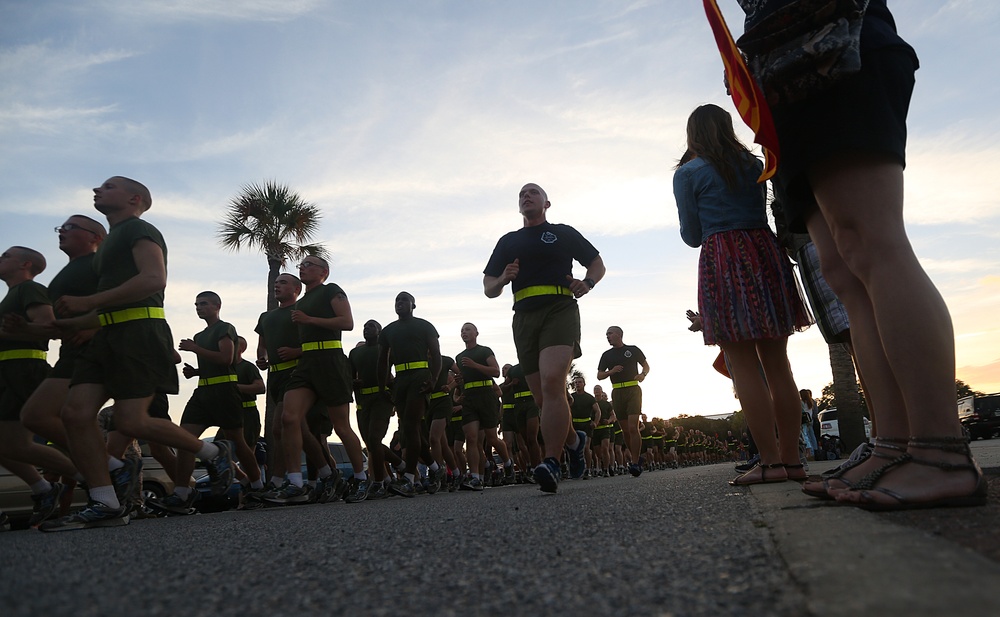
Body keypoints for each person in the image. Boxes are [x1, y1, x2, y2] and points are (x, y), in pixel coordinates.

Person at [739, 1, 985, 509]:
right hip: (785, 68)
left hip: (835, 42)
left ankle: (942, 450)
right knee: (842, 268)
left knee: (871, 242)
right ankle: (893, 444)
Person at [41, 177, 234, 531]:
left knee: (130, 421)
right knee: (74, 414)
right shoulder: (111, 243)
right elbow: (105, 306)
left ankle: (213, 453)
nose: (98, 190)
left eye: (109, 186)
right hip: (108, 337)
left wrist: (90, 301)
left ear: (134, 199)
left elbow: (153, 279)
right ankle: (105, 502)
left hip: (139, 335)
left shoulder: (138, 229)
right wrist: (69, 324)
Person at [673, 106, 811, 485]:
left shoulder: (688, 173)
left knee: (743, 364)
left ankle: (769, 463)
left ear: (692, 134)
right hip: (764, 251)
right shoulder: (753, 164)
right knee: (778, 363)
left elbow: (690, 235)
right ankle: (792, 460)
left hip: (722, 256)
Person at [483, 182, 606, 493]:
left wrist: (587, 283)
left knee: (553, 382)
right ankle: (575, 442)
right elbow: (488, 287)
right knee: (543, 398)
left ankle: (551, 462)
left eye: (533, 192)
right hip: (524, 318)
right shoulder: (508, 241)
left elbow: (597, 263)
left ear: (547, 203)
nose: (527, 196)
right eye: (522, 194)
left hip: (559, 309)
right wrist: (503, 278)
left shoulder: (562, 233)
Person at [149, 291, 264, 515]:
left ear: (217, 306)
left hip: (225, 392)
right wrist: (196, 371)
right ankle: (182, 494)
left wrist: (195, 349)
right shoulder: (200, 335)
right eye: (196, 304)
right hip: (203, 392)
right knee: (184, 440)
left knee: (238, 442)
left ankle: (257, 487)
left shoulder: (225, 328)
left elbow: (225, 359)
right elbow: (213, 363)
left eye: (203, 304)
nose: (198, 307)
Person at [271, 256, 367, 503]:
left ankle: (361, 478)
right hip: (306, 365)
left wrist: (309, 319)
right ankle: (295, 483)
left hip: (331, 361)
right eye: (300, 264)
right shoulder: (300, 302)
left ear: (324, 271)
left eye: (309, 264)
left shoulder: (332, 291)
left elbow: (347, 322)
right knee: (289, 418)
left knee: (341, 426)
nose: (302, 267)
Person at [0, 245, 78, 527]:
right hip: (7, 371)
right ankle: (45, 488)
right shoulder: (11, 296)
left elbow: (48, 325)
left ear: (26, 264)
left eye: (6, 255)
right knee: (7, 445)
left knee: (44, 431)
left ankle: (100, 474)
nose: (0, 259)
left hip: (26, 369)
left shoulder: (29, 290)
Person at [377, 292, 442, 497]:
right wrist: (382, 387)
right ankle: (436, 470)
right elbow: (382, 361)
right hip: (400, 381)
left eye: (404, 300)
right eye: (396, 300)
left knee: (412, 426)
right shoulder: (388, 331)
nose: (400, 303)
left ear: (413, 305)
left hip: (419, 378)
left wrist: (433, 380)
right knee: (408, 429)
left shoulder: (425, 326)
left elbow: (436, 354)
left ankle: (409, 479)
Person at [454, 322, 509, 490]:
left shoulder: (484, 351)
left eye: (468, 329)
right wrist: (459, 382)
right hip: (469, 399)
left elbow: (496, 371)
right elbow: (463, 377)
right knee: (471, 438)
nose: (464, 332)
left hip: (486, 395)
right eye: (462, 330)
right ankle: (476, 478)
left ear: (476, 333)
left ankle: (507, 463)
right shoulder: (459, 356)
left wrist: (475, 365)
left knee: (492, 438)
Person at [596, 326, 650, 477]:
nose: (607, 336)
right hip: (617, 392)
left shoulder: (633, 350)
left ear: (619, 335)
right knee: (626, 430)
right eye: (606, 334)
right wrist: (611, 372)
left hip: (633, 390)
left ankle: (634, 462)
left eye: (610, 333)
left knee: (633, 427)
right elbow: (599, 375)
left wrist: (642, 374)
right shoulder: (606, 355)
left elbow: (646, 365)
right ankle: (637, 458)